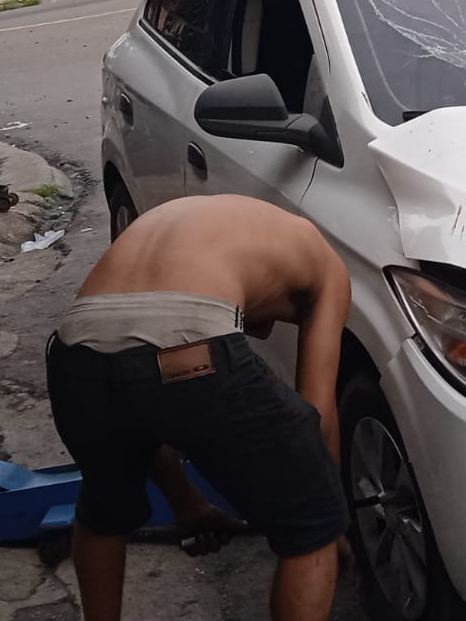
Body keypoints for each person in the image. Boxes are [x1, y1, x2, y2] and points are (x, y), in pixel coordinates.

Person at [45, 195, 353, 621]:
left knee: (102, 510)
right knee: (312, 525)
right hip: (190, 339)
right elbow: (318, 414)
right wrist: (326, 516)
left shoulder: (214, 221)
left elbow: (143, 404)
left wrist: (187, 505)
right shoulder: (328, 268)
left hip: (76, 347)